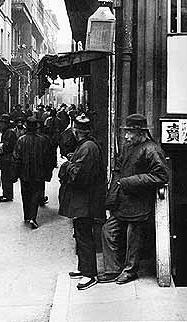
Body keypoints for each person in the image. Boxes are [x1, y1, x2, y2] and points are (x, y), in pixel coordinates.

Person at [99, 113, 169, 285]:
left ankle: (130, 271)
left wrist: (130, 182)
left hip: (139, 203)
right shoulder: (129, 147)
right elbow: (118, 168)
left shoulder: (151, 149)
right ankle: (112, 269)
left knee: (133, 239)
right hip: (123, 201)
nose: (126, 136)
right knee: (108, 231)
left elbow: (162, 176)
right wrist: (113, 193)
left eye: (129, 132)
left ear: (140, 133)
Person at [58, 114, 106, 290]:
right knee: (80, 234)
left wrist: (65, 164)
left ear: (77, 132)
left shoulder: (87, 148)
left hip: (85, 200)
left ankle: (89, 274)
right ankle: (84, 268)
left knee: (84, 235)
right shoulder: (88, 146)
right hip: (84, 199)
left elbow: (78, 175)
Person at [12, 117, 53, 229]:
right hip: (38, 173)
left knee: (25, 194)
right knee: (35, 194)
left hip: (24, 173)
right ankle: (32, 217)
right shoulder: (43, 140)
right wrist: (47, 173)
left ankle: (26, 215)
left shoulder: (21, 140)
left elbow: (16, 158)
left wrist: (15, 174)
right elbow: (47, 158)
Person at [0, 114, 17, 202]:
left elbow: (7, 146)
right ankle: (6, 194)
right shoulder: (7, 131)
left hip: (7, 158)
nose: (0, 125)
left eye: (2, 123)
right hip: (6, 158)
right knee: (5, 177)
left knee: (7, 177)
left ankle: (7, 195)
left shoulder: (9, 132)